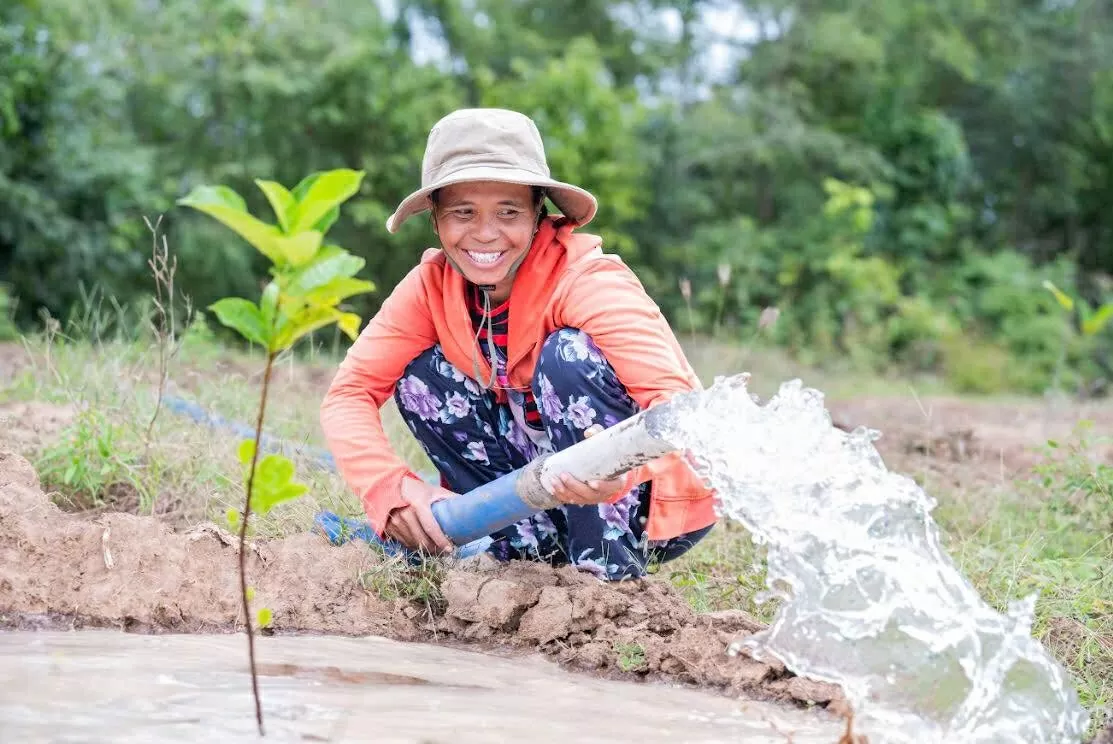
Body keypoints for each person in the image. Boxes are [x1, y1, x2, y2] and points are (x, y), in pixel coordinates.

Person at [319, 108, 717, 581]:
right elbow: (348, 395)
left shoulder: (586, 280)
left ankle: (604, 575)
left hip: (641, 502)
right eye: (463, 212)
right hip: (537, 489)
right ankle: (523, 554)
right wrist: (391, 489)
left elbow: (682, 414)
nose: (485, 233)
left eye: (508, 212)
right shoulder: (431, 286)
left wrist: (618, 471)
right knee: (418, 376)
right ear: (437, 224)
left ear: (537, 216)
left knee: (567, 356)